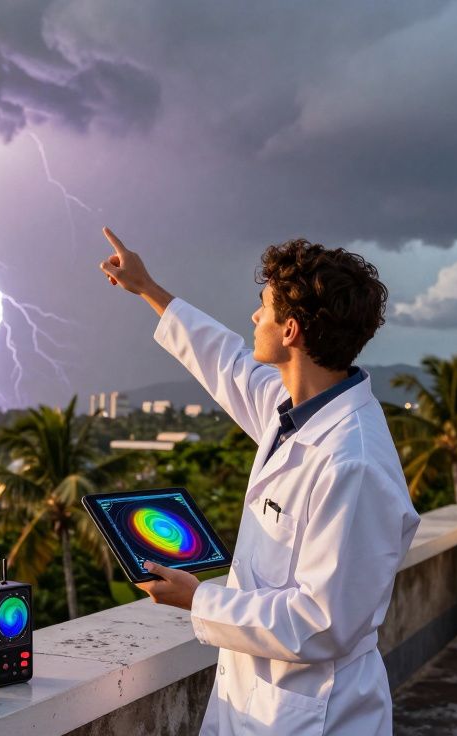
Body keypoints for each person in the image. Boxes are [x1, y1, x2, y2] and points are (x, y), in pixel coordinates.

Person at [98, 227, 420, 735]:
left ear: (290, 330)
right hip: (257, 702)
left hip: (315, 716)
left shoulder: (351, 462)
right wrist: (147, 288)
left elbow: (322, 622)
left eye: (263, 307)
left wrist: (197, 599)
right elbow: (225, 361)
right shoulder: (294, 409)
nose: (253, 317)